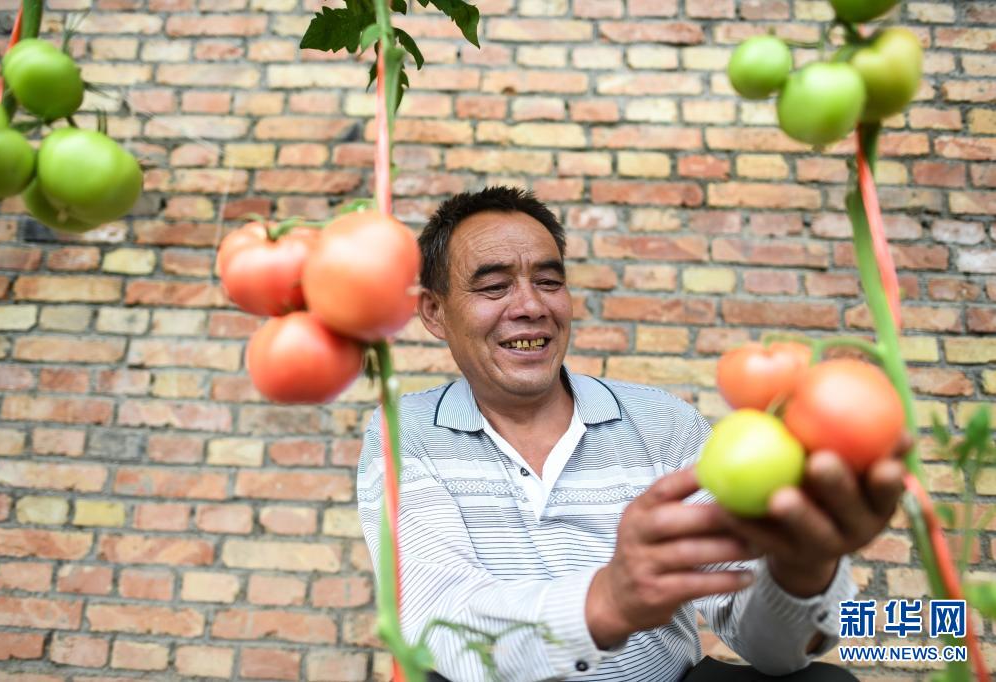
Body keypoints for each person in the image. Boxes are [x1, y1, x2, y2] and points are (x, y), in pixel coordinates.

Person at [357, 186, 906, 682]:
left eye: (549, 281)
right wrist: (608, 601)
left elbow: (773, 649)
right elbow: (439, 622)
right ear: (435, 312)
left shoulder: (663, 424)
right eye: (495, 286)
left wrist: (801, 571)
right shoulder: (405, 434)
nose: (531, 306)